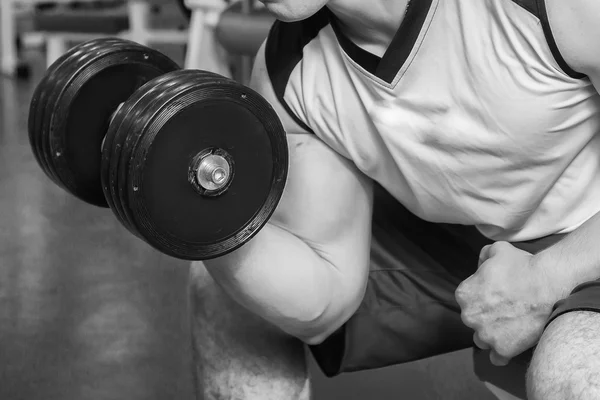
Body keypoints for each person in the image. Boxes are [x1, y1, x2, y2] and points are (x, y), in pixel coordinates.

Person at [189, 0, 600, 399]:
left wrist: (546, 278)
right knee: (225, 286)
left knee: (573, 371)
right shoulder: (286, 73)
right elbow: (326, 296)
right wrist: (212, 225)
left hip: (587, 237)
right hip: (465, 243)